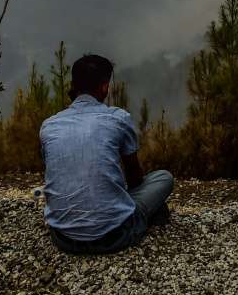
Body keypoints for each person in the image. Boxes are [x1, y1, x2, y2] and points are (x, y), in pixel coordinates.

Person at [41, 54, 173, 254]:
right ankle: (142, 217)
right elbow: (135, 178)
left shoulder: (49, 126)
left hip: (63, 238)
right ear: (104, 87)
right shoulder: (118, 118)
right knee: (164, 178)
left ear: (74, 85)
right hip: (114, 236)